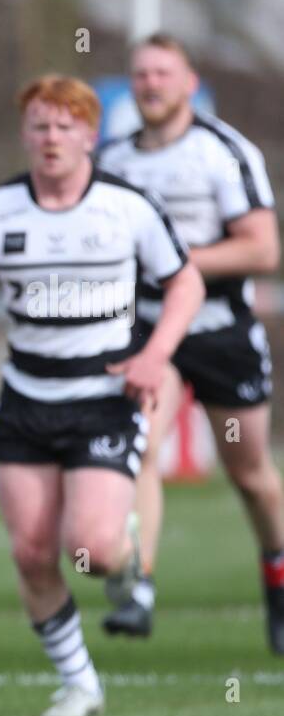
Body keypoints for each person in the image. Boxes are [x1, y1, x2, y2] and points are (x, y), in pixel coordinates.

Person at [0, 75, 204, 716]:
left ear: (90, 135)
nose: (51, 138)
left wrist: (157, 352)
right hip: (26, 400)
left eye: (65, 126)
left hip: (105, 396)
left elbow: (184, 283)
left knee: (96, 547)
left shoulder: (126, 206)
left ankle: (127, 551)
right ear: (26, 135)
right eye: (40, 126)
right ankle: (81, 681)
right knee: (30, 549)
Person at [96, 34, 283, 651]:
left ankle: (277, 575)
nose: (150, 84)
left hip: (221, 329)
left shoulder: (224, 152)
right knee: (142, 444)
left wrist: (177, 261)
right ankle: (139, 582)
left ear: (188, 81)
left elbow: (263, 247)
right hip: (152, 333)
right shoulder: (116, 161)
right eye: (140, 74)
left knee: (251, 472)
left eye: (162, 73)